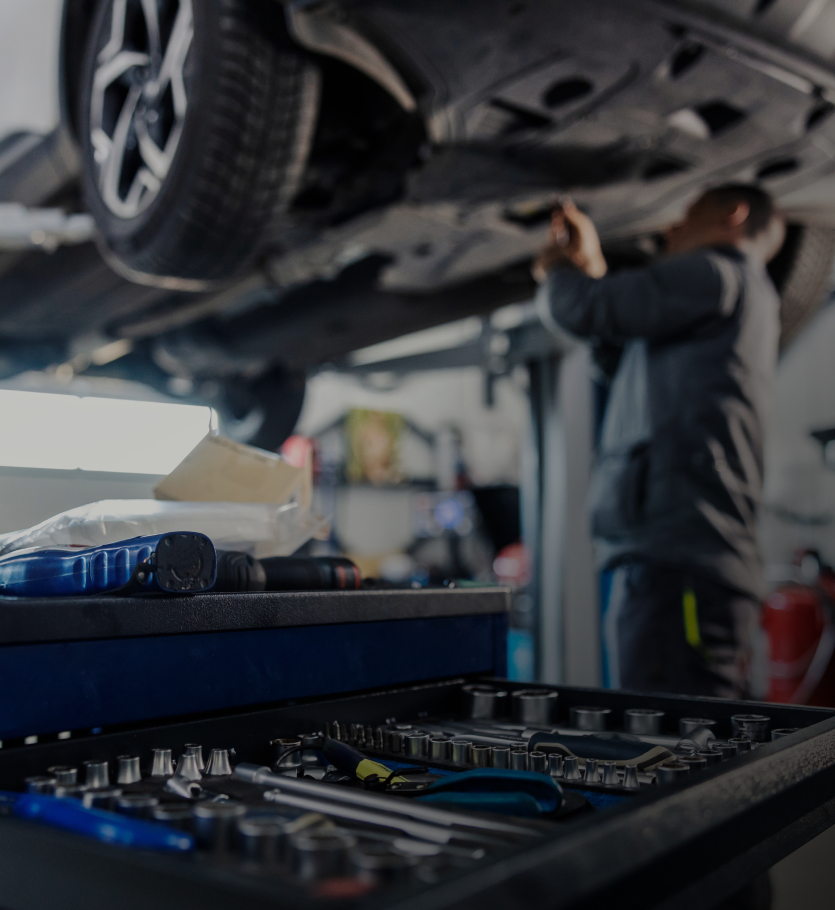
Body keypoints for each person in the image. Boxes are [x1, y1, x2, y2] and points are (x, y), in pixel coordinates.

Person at [533, 185, 786, 698]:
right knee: (691, 749)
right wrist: (593, 270)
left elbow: (586, 310)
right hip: (688, 567)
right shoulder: (738, 292)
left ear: (732, 216)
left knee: (672, 753)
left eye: (685, 214)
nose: (670, 229)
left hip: (681, 571)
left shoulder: (715, 271)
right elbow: (620, 354)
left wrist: (560, 270)